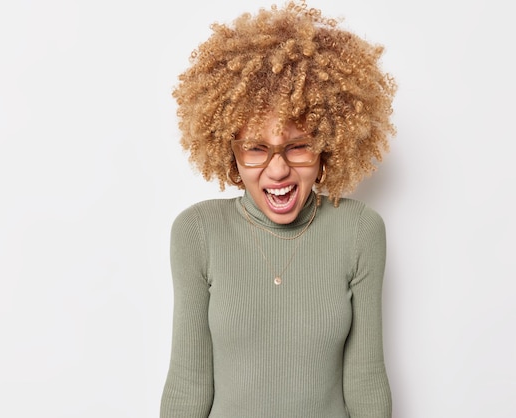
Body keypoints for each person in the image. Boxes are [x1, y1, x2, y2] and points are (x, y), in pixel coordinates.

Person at [160, 1, 397, 417]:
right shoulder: (198, 232)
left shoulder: (360, 230)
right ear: (231, 155)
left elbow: (366, 379)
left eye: (299, 145)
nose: (278, 169)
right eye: (256, 148)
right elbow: (187, 384)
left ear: (328, 147)